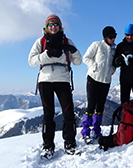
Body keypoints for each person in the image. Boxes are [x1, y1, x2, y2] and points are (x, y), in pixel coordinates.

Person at [28, 14, 82, 159]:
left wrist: (71, 50)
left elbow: (78, 62)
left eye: (55, 24)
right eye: (50, 24)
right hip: (45, 80)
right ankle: (48, 146)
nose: (53, 27)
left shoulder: (67, 41)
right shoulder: (41, 41)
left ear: (60, 26)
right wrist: (46, 55)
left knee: (68, 113)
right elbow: (31, 61)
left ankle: (70, 143)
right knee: (48, 115)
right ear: (46, 27)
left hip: (62, 80)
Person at [81, 26, 117, 144]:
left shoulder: (114, 49)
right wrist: (94, 67)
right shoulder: (97, 45)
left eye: (114, 36)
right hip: (93, 79)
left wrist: (112, 69)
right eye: (111, 37)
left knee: (100, 107)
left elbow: (114, 64)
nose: (113, 39)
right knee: (91, 106)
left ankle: (97, 130)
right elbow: (86, 58)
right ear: (105, 37)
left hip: (106, 81)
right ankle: (85, 132)